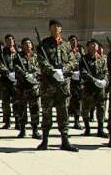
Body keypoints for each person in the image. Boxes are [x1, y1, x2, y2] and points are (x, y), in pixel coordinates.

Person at [36, 20, 78, 152]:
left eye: (58, 27)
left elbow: (73, 61)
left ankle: (65, 141)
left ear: (61, 29)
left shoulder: (66, 45)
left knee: (63, 112)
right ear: (50, 29)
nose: (55, 29)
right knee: (47, 112)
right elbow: (41, 60)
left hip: (63, 85)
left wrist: (64, 70)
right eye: (53, 27)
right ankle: (45, 141)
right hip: (48, 84)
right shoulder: (44, 44)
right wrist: (53, 71)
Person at [80, 39, 108, 138]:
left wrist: (104, 80)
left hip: (100, 88)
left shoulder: (102, 59)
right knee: (86, 109)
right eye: (91, 45)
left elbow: (106, 71)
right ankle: (87, 128)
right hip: (89, 87)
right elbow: (83, 72)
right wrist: (94, 80)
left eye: (95, 45)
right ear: (88, 47)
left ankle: (100, 129)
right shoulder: (84, 59)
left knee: (101, 109)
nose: (94, 47)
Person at [14, 38, 41, 139]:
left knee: (35, 109)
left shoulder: (36, 56)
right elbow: (16, 68)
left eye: (29, 43)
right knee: (22, 109)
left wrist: (34, 75)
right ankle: (22, 130)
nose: (28, 45)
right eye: (25, 44)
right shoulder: (18, 57)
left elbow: (40, 68)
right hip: (22, 87)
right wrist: (25, 75)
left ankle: (35, 130)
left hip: (34, 87)